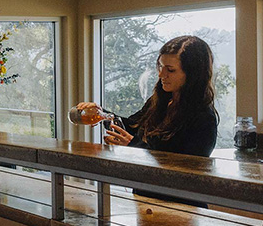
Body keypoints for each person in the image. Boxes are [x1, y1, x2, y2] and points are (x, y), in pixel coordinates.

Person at [78, 35, 219, 206]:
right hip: (146, 201)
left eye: (170, 70)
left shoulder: (204, 118)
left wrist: (133, 146)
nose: (161, 75)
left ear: (193, 74)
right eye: (160, 66)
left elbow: (183, 172)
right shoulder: (160, 100)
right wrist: (102, 114)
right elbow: (132, 126)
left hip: (182, 207)